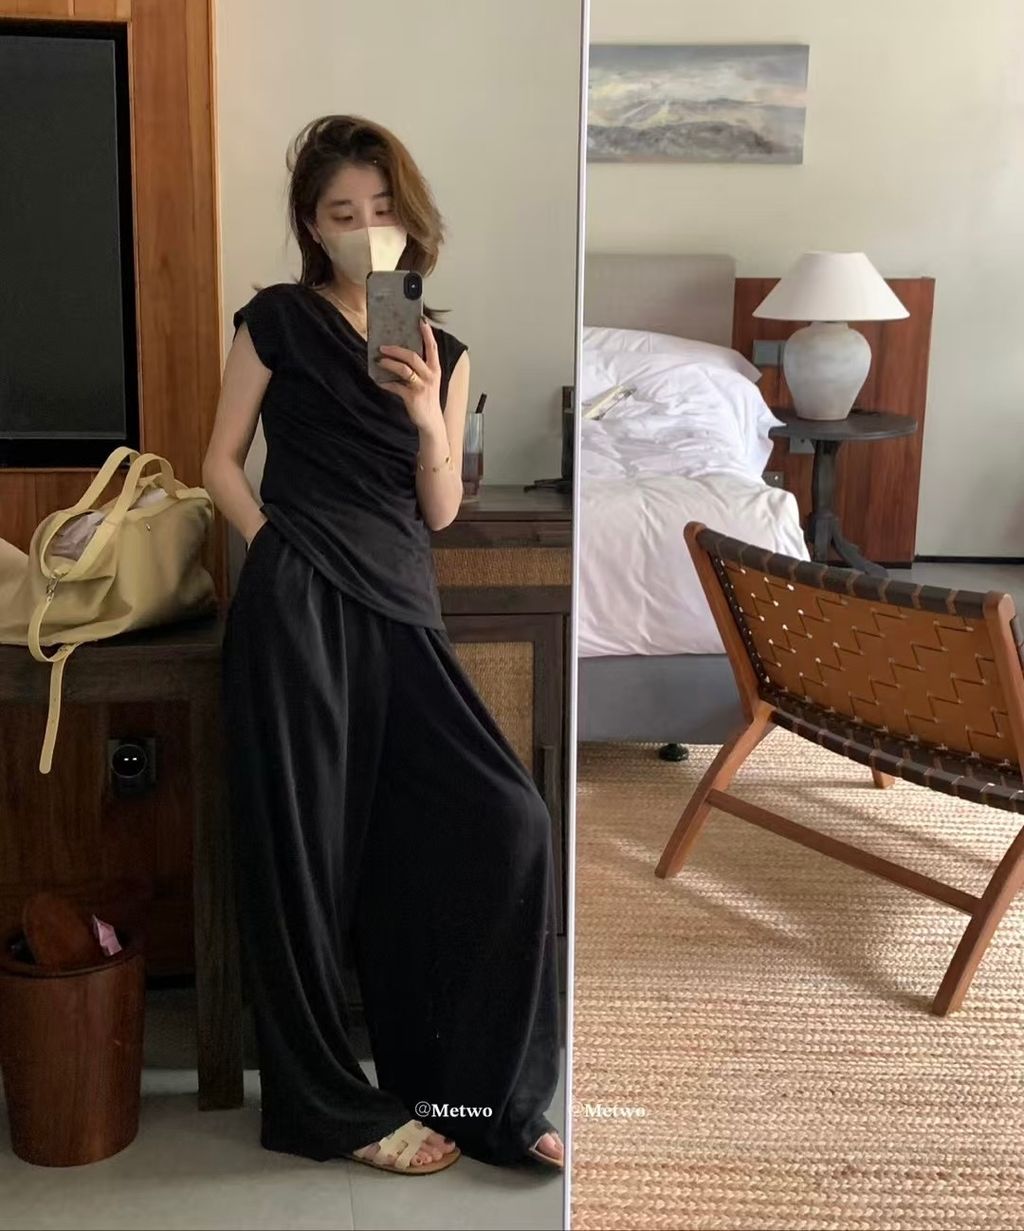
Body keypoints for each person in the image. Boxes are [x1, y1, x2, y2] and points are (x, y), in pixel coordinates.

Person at [202, 114, 564, 1176]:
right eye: (341, 213)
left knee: (508, 820)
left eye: (381, 208)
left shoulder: (441, 347)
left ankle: (485, 1097)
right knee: (303, 855)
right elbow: (218, 461)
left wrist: (429, 420)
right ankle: (328, 1106)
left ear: (411, 218)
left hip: (402, 604)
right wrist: (279, 548)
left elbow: (439, 510)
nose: (365, 230)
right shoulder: (276, 320)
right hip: (297, 603)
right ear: (313, 228)